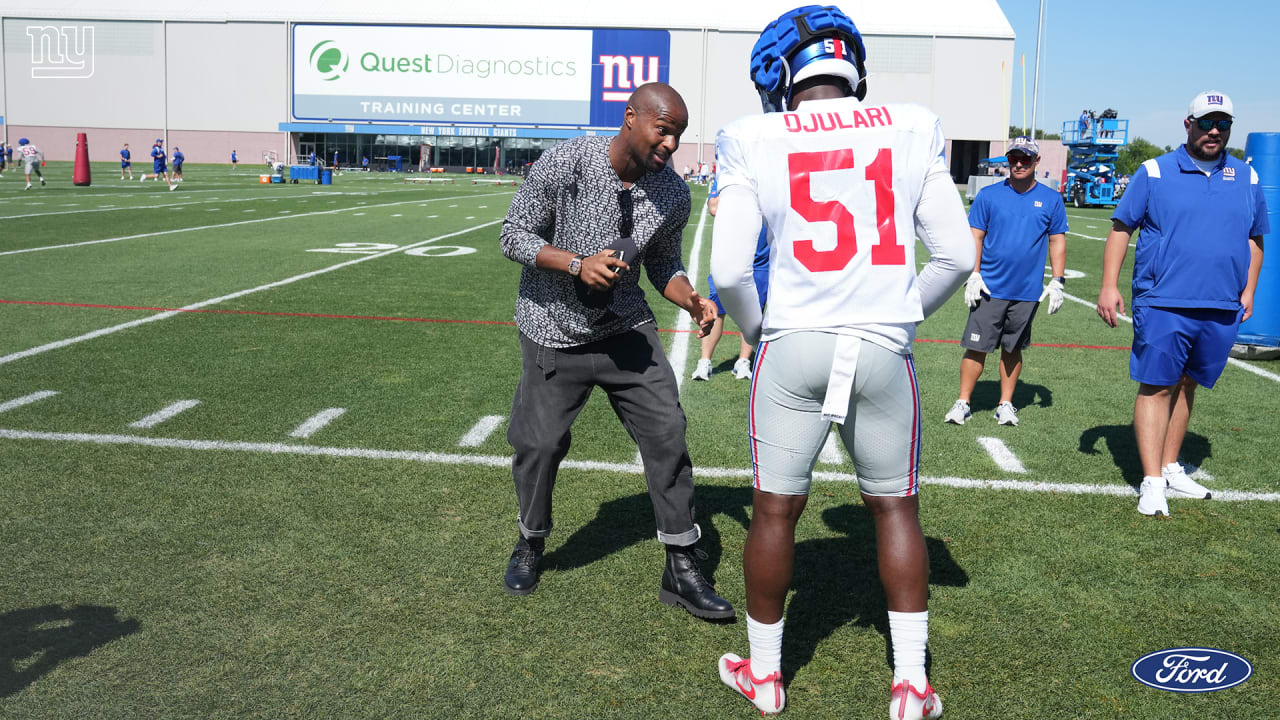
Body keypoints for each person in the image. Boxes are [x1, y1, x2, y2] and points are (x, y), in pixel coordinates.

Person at [709, 6, 973, 716]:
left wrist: (766, 331)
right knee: (896, 509)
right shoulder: (912, 123)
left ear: (782, 76)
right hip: (884, 346)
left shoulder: (751, 135)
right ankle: (912, 685)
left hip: (795, 340)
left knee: (774, 509)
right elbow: (957, 255)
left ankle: (765, 678)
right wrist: (897, 314)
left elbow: (730, 269)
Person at [498, 82, 734, 621]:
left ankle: (681, 564)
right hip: (553, 326)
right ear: (631, 118)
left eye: (677, 133)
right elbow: (513, 236)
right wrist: (578, 264)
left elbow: (663, 265)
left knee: (667, 432)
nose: (671, 144)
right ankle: (531, 540)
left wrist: (692, 299)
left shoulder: (673, 194)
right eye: (663, 130)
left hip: (625, 325)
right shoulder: (567, 162)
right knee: (540, 443)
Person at [1097, 91, 1267, 517]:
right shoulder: (1154, 171)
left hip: (1220, 302)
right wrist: (1107, 285)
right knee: (1156, 385)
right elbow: (1121, 229)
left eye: (1223, 124)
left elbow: (1255, 237)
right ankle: (1152, 481)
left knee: (1189, 383)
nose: (1214, 131)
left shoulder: (1246, 176)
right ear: (1187, 124)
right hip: (1163, 301)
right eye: (1206, 122)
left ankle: (1171, 467)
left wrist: (1248, 290)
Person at [943, 136, 1067, 427]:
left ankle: (1006, 404)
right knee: (976, 346)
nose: (1019, 163)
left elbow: (1057, 240)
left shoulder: (1051, 199)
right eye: (1014, 158)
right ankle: (963, 402)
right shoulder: (989, 196)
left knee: (1013, 349)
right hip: (989, 287)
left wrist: (1058, 280)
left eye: (1025, 158)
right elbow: (975, 237)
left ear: (1037, 161)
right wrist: (973, 274)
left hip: (1026, 291)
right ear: (1007, 160)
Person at [693, 167, 768, 381]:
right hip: (731, 255)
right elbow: (714, 207)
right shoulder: (730, 176)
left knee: (754, 310)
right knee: (716, 307)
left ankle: (743, 362)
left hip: (762, 257)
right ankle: (704, 362)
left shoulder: (769, 173)